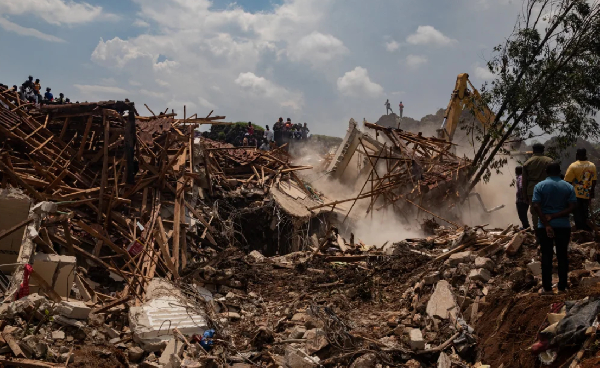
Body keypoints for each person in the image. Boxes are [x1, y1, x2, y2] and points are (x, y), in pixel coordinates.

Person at [532, 161, 577, 294]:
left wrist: (546, 223)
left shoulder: (539, 186)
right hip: (563, 226)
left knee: (546, 256)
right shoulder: (568, 187)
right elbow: (573, 206)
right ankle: (562, 287)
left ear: (546, 172)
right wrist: (556, 215)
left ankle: (547, 288)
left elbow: (536, 205)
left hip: (544, 226)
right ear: (559, 172)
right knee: (562, 255)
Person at [564, 148, 597, 231]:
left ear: (577, 155)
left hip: (576, 194)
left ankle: (580, 231)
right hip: (587, 193)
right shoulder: (592, 165)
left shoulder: (573, 166)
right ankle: (586, 230)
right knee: (585, 212)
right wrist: (592, 192)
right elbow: (594, 181)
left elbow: (567, 181)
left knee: (577, 213)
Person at [523, 143, 553, 231]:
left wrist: (524, 195)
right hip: (547, 188)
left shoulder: (527, 163)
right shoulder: (549, 161)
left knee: (534, 211)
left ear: (533, 150)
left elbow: (524, 181)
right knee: (548, 208)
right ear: (543, 150)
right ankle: (549, 229)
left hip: (532, 189)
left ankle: (538, 232)